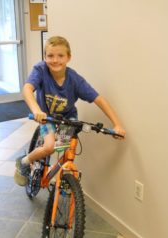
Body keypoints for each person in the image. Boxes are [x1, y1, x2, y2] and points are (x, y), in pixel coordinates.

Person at [14, 36, 126, 186]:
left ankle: (64, 178)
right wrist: (36, 110)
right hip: (46, 117)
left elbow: (99, 99)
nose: (55, 60)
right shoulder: (40, 70)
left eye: (61, 56)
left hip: (68, 117)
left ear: (69, 57)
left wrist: (117, 124)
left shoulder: (75, 80)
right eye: (50, 56)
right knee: (48, 147)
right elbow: (27, 89)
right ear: (45, 57)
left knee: (64, 146)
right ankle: (24, 161)